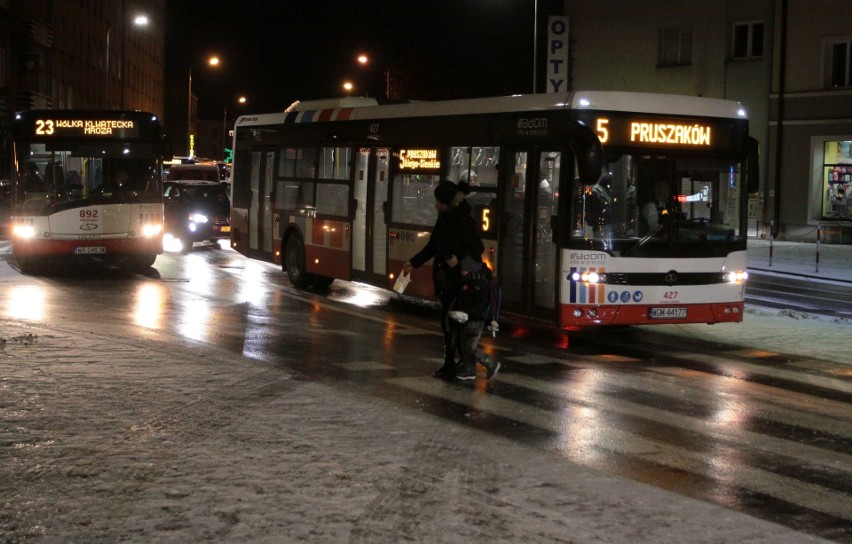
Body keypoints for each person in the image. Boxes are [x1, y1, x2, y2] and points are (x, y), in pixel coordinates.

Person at [402, 181, 484, 379]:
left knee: (454, 322)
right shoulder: (444, 218)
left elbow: (477, 249)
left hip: (461, 282)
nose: (435, 205)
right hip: (446, 280)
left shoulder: (464, 221)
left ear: (449, 203)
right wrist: (413, 262)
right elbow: (433, 245)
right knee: (450, 323)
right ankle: (453, 364)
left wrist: (458, 258)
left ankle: (461, 364)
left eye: (438, 202)